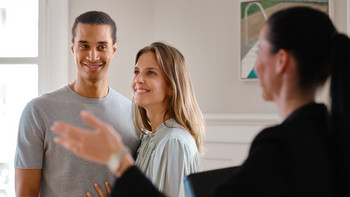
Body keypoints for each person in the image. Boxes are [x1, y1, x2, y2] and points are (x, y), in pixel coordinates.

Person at [52, 6, 347, 196]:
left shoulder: (281, 148)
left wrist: (117, 158)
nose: (258, 62)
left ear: (281, 61)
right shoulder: (322, 135)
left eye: (261, 50)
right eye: (137, 72)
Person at [52, 42, 205, 197]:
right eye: (136, 72)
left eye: (150, 73)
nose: (138, 79)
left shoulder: (173, 141)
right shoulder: (149, 138)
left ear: (172, 87)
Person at [14, 11, 140, 197]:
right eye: (84, 45)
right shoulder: (37, 111)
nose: (92, 56)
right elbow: (25, 193)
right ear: (73, 48)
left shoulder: (135, 114)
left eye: (102, 46)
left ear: (114, 49)